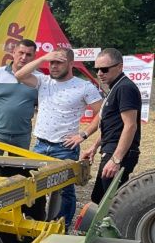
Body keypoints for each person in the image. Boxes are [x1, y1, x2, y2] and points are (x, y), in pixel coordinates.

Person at [14, 47, 103, 228]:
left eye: (58, 62)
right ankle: (37, 224)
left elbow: (102, 113)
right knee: (35, 186)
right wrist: (43, 58)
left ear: (71, 64)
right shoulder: (43, 81)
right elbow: (19, 75)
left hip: (65, 147)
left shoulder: (83, 86)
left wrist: (83, 134)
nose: (53, 66)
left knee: (65, 190)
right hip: (40, 144)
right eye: (51, 62)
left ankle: (62, 226)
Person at [80, 48, 142, 203]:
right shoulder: (115, 87)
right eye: (97, 69)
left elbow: (130, 126)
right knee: (99, 199)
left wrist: (116, 159)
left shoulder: (125, 88)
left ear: (120, 67)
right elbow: (112, 126)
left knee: (109, 203)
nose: (100, 73)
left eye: (105, 69)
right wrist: (94, 147)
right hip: (111, 150)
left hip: (119, 153)